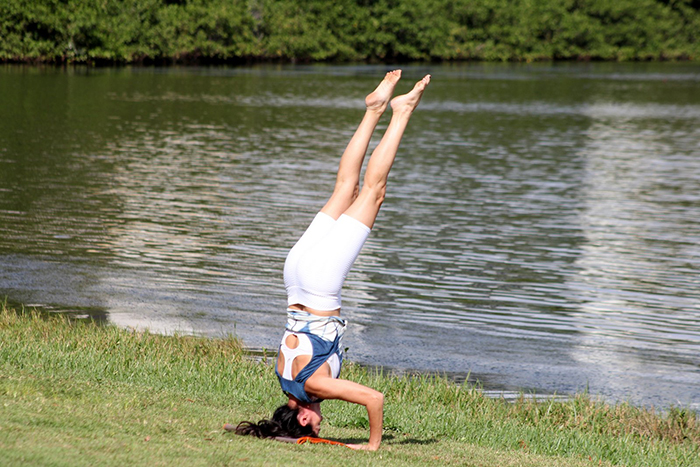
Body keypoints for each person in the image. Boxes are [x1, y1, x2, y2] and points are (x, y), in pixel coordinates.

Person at [235, 70, 430, 451]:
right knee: (347, 188)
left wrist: (371, 445)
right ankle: (373, 110)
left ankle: (402, 110)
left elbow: (375, 398)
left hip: (320, 284)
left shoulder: (314, 387)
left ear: (304, 416)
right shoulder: (283, 378)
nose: (323, 422)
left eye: (316, 426)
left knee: (373, 192)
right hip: (294, 276)